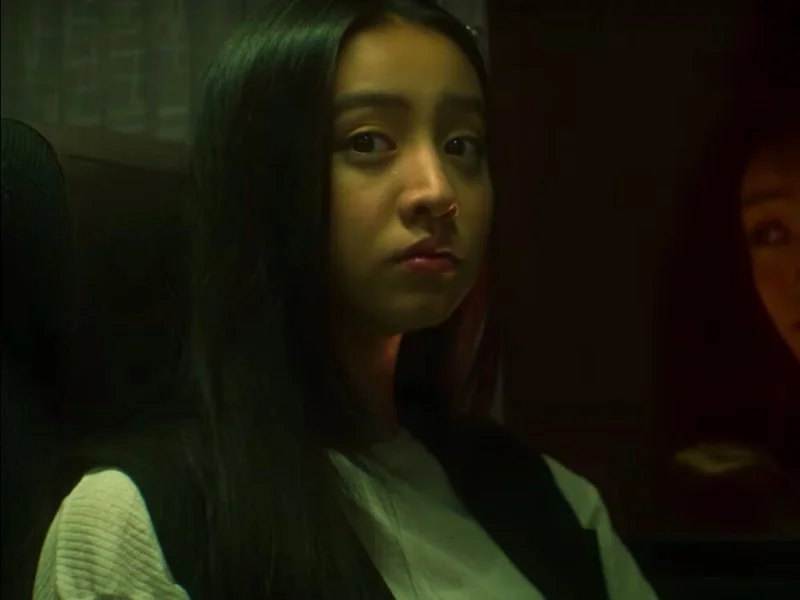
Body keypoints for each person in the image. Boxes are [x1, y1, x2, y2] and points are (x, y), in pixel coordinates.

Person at [32, 1, 657, 598]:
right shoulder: (140, 521)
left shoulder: (550, 500)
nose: (438, 191)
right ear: (263, 178)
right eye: (367, 141)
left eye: (462, 145)